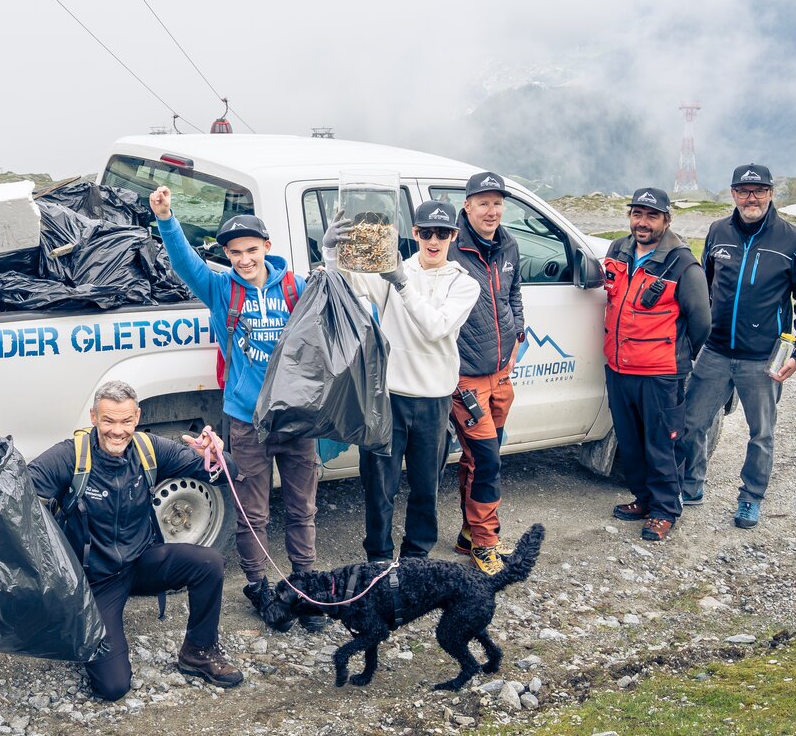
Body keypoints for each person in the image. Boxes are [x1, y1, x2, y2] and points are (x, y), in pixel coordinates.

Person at [150, 187, 317, 623]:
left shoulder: (297, 287)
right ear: (225, 255)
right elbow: (185, 262)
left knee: (303, 508)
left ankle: (306, 584)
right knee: (252, 512)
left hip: (296, 420)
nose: (244, 259)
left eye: (251, 250)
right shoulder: (222, 289)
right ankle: (258, 587)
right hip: (246, 420)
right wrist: (167, 218)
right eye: (235, 253)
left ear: (267, 247)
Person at [27, 381, 244, 700]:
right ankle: (83, 632)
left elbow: (226, 473)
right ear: (93, 417)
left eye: (126, 421)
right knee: (113, 687)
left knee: (208, 563)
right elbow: (21, 494)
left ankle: (198, 651)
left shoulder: (148, 449)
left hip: (142, 561)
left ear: (138, 417)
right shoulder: (71, 456)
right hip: (97, 580)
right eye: (108, 421)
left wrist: (214, 456)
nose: (118, 430)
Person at [677, 164, 796, 530]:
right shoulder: (718, 232)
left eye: (758, 190)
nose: (750, 197)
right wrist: (692, 339)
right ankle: (691, 487)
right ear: (733, 194)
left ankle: (750, 499)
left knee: (761, 434)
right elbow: (701, 289)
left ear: (771, 193)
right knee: (692, 424)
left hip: (763, 358)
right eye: (743, 190)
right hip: (716, 351)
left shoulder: (794, 241)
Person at [337, 200, 481, 563]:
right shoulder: (393, 269)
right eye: (426, 232)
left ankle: (416, 558)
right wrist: (331, 248)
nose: (434, 240)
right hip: (389, 398)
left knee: (425, 487)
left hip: (434, 401)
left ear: (454, 235)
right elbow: (349, 281)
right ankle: (379, 559)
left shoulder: (464, 284)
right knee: (378, 486)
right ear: (414, 234)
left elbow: (436, 328)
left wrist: (401, 283)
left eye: (443, 233)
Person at [602, 188, 712, 542]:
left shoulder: (683, 263)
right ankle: (644, 499)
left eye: (651, 216)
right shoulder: (617, 249)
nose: (642, 223)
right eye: (637, 214)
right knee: (630, 442)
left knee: (661, 443)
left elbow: (701, 321)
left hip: (660, 372)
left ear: (666, 219)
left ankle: (665, 510)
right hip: (619, 368)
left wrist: (676, 355)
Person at [449, 170, 526, 574]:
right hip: (466, 379)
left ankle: (467, 532)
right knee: (487, 458)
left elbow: (513, 295)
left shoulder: (509, 245)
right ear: (467, 206)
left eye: (497, 203)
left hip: (500, 372)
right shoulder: (450, 247)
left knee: (480, 457)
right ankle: (485, 541)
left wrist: (517, 334)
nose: (491, 210)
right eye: (483, 203)